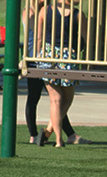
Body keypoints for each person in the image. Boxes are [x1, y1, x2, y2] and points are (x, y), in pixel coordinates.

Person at [23, 0, 90, 145]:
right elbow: (86, 37)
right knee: (67, 99)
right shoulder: (78, 15)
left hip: (47, 55)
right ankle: (48, 132)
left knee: (56, 99)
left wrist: (34, 58)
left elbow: (39, 38)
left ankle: (57, 138)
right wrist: (85, 57)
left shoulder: (45, 11)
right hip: (68, 57)